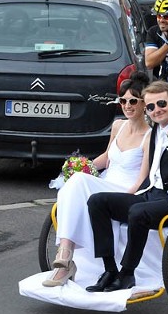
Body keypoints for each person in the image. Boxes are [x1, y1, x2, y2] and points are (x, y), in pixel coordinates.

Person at [85, 83, 168, 293]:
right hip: (150, 193)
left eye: (161, 103)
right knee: (97, 201)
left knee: (137, 212)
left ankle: (127, 273)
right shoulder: (155, 132)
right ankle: (110, 270)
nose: (156, 110)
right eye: (150, 107)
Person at [41, 72, 152, 287]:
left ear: (143, 103)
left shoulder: (149, 134)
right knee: (76, 180)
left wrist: (128, 196)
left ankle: (65, 255)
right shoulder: (119, 126)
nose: (127, 105)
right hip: (106, 180)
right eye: (123, 100)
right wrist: (83, 165)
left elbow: (143, 177)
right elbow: (107, 157)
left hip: (125, 190)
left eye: (132, 101)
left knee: (80, 182)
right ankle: (65, 257)